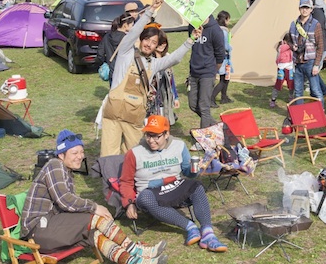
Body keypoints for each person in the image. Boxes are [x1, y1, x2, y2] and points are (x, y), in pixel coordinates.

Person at [21, 129, 168, 264]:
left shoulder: (66, 171)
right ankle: (136, 250)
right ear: (61, 154)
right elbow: (65, 200)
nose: (80, 156)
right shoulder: (54, 165)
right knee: (95, 219)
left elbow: (68, 206)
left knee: (94, 234)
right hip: (38, 231)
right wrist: (95, 207)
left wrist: (93, 211)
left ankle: (135, 261)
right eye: (74, 153)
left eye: (81, 152)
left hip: (52, 227)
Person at [100, 0, 200, 157]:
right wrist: (150, 11)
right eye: (146, 39)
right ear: (141, 39)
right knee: (109, 155)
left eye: (153, 42)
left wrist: (190, 40)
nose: (148, 44)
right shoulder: (126, 52)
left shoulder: (154, 64)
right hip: (113, 114)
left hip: (134, 116)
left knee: (133, 154)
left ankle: (127, 181)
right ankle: (110, 181)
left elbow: (174, 58)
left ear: (157, 46)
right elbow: (133, 32)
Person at [120, 115, 228, 253]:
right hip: (150, 192)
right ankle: (190, 227)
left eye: (156, 136)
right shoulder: (135, 153)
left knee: (196, 186)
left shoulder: (179, 146)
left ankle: (208, 233)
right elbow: (125, 181)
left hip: (174, 185)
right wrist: (129, 203)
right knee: (145, 198)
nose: (151, 140)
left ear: (166, 134)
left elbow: (188, 173)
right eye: (148, 135)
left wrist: (195, 169)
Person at [188, 15, 226, 128]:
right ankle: (217, 126)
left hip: (208, 72)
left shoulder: (215, 30)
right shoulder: (191, 25)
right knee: (193, 104)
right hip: (194, 71)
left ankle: (204, 139)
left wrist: (213, 71)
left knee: (204, 107)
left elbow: (220, 54)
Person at [289, 0, 325, 101]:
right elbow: (289, 40)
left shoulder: (316, 24)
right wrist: (293, 46)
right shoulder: (293, 24)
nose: (304, 10)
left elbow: (320, 46)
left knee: (315, 90)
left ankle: (320, 113)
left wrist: (316, 65)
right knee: (298, 91)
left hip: (310, 61)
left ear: (311, 9)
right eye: (302, 7)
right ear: (299, 9)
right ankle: (299, 115)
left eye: (307, 8)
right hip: (297, 61)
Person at [149, 30, 180, 124]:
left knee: (165, 120)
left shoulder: (167, 58)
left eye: (164, 42)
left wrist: (175, 97)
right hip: (153, 97)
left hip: (166, 95)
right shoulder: (149, 60)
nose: (162, 45)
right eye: (160, 43)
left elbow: (171, 80)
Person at [96, 12, 135, 86]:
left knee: (113, 93)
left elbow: (100, 54)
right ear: (125, 25)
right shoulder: (127, 39)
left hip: (111, 70)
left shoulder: (107, 36)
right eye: (132, 25)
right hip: (124, 72)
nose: (133, 27)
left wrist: (105, 63)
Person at [211, 11, 233, 107]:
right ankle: (211, 98)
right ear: (225, 19)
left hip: (221, 57)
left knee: (226, 78)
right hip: (223, 57)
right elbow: (224, 45)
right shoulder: (223, 31)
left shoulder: (215, 29)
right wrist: (230, 47)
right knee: (223, 79)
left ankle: (224, 97)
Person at [270, 33, 295, 107]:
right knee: (278, 84)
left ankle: (291, 97)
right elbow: (283, 48)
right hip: (282, 68)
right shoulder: (282, 47)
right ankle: (273, 99)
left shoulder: (290, 48)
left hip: (289, 68)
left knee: (291, 84)